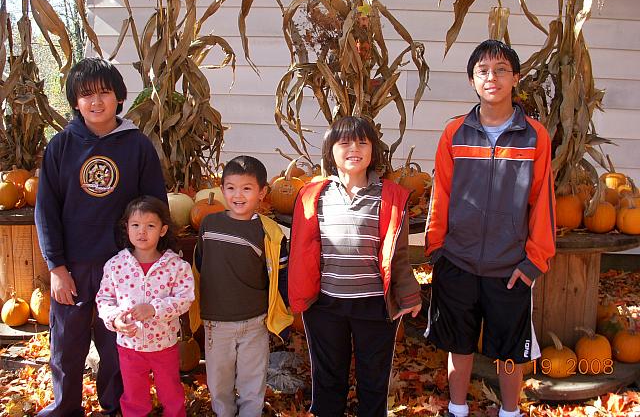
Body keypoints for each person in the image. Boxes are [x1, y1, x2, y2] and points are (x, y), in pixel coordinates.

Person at [424, 40, 556, 417]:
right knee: (459, 345)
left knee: (509, 351)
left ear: (515, 78)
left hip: (510, 267)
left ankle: (510, 411)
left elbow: (542, 203)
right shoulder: (454, 134)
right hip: (458, 262)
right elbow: (441, 194)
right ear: (472, 80)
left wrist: (534, 262)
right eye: (483, 71)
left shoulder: (534, 137)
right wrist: (437, 251)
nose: (491, 77)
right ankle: (458, 408)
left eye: (500, 69)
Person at [35, 58, 168, 417]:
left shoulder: (137, 146)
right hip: (74, 264)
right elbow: (45, 210)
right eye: (86, 95)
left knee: (116, 344)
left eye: (104, 93)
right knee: (67, 345)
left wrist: (150, 263)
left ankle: (117, 405)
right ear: (76, 102)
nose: (96, 102)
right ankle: (65, 407)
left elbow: (155, 205)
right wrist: (56, 266)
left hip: (123, 265)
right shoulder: (61, 147)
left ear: (119, 98)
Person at [288, 116, 422, 417]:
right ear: (330, 150)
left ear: (373, 149)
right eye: (345, 142)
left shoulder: (389, 195)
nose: (354, 148)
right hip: (325, 305)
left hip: (373, 306)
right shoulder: (314, 195)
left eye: (363, 142)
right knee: (328, 378)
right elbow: (301, 250)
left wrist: (410, 294)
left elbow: (397, 255)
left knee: (373, 379)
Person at [189, 155, 293, 417]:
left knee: (252, 380)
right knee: (219, 381)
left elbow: (280, 276)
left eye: (247, 188)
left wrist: (285, 314)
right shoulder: (209, 224)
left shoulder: (270, 232)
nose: (238, 195)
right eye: (231, 188)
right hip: (216, 321)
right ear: (222, 189)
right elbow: (200, 265)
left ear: (262, 192)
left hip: (254, 321)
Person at [96, 196, 194, 417]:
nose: (142, 232)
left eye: (150, 225)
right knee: (134, 396)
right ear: (127, 228)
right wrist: (115, 320)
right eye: (136, 225)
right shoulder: (116, 265)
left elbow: (185, 298)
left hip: (164, 345)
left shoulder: (176, 266)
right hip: (129, 346)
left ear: (162, 230)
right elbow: (104, 299)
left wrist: (154, 309)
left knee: (171, 393)